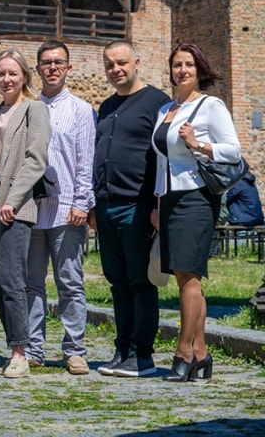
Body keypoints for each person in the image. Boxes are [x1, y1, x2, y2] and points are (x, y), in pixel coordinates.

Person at [151, 43, 241, 382]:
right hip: (171, 199)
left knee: (190, 276)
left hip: (198, 198)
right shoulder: (165, 110)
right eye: (177, 65)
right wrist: (159, 202)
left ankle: (184, 351)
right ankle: (202, 355)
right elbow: (162, 161)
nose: (182, 71)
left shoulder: (210, 106)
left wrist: (198, 143)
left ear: (199, 70)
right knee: (181, 278)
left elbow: (233, 151)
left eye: (188, 65)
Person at [0, 49, 50, 379]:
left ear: (24, 77)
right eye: (1, 74)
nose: (6, 79)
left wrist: (13, 199)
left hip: (13, 201)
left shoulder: (35, 110)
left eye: (12, 74)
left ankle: (22, 352)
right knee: (0, 282)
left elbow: (36, 159)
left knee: (13, 279)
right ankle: (14, 345)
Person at [92, 40, 169, 378]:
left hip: (138, 205)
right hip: (107, 205)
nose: (116, 69)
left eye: (121, 62)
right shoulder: (106, 106)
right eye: (110, 65)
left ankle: (142, 355)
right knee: (117, 282)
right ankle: (122, 348)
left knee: (141, 281)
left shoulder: (157, 103)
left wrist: (157, 205)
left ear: (137, 62)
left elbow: (163, 158)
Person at [25, 40, 96, 375]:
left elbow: (86, 161)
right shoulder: (27, 109)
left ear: (68, 68)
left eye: (58, 63)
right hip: (31, 210)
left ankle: (74, 349)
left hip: (67, 208)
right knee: (31, 282)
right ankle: (33, 348)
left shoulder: (81, 110)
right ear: (37, 68)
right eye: (46, 62)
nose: (52, 68)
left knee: (69, 281)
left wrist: (83, 202)